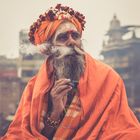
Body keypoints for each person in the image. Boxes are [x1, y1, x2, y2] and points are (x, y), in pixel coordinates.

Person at [1, 4, 140, 140]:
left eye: (75, 36)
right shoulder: (34, 88)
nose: (71, 42)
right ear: (51, 48)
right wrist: (56, 111)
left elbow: (120, 128)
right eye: (63, 37)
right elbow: (27, 134)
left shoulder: (108, 78)